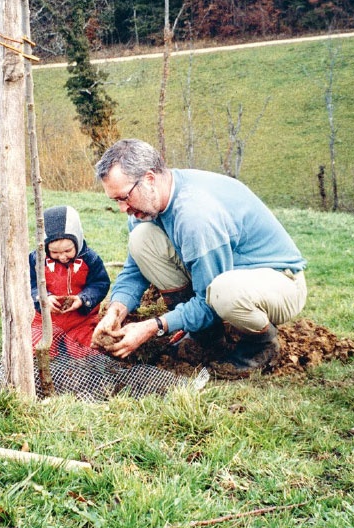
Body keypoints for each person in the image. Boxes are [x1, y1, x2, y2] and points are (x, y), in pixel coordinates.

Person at [91, 139, 307, 372]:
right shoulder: (146, 205)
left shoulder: (196, 215)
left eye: (124, 197)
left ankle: (261, 345)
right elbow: (135, 269)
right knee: (141, 239)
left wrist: (154, 327)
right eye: (116, 201)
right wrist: (117, 310)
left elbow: (208, 298)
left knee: (224, 292)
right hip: (226, 275)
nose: (123, 208)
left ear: (150, 179)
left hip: (279, 282)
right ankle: (205, 335)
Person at [30, 205, 110, 359]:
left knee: (90, 349)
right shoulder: (36, 261)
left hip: (81, 320)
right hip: (46, 322)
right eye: (54, 252)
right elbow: (29, 284)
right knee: (37, 348)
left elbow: (100, 284)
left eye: (68, 251)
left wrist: (83, 299)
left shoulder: (90, 259)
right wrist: (42, 297)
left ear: (78, 240)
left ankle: (77, 357)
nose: (62, 257)